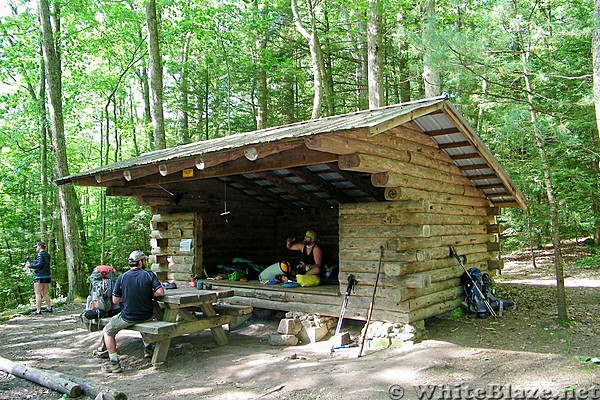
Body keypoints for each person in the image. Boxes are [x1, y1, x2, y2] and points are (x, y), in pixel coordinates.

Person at [100, 250, 164, 373]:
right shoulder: (149, 275)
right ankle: (148, 348)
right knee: (144, 322)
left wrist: (129, 295)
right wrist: (147, 293)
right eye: (144, 260)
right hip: (147, 315)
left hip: (128, 316)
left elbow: (115, 300)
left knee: (107, 331)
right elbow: (160, 292)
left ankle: (114, 363)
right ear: (140, 262)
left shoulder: (122, 277)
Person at [26, 242, 52, 315]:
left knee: (37, 293)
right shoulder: (47, 255)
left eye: (36, 247)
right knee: (44, 293)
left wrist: (29, 266)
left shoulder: (40, 254)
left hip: (40, 276)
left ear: (40, 247)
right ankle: (49, 308)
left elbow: (39, 265)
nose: (36, 248)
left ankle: (38, 310)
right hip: (47, 275)